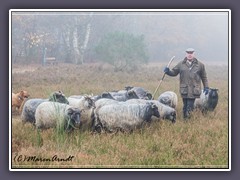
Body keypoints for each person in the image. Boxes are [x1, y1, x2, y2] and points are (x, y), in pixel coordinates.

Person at [163, 48, 209, 119]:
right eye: (188, 53)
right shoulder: (181, 64)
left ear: (194, 54)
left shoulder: (200, 65)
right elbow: (174, 73)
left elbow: (204, 77)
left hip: (194, 90)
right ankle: (185, 120)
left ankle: (188, 121)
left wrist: (206, 87)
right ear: (186, 54)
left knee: (189, 107)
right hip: (184, 90)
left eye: (191, 53)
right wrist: (168, 72)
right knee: (185, 106)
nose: (189, 55)